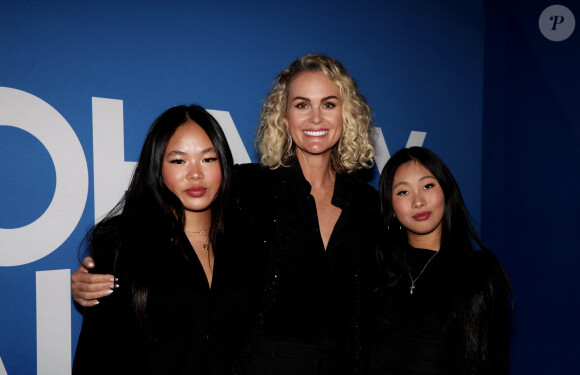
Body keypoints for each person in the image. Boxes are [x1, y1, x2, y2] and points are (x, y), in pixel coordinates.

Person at [72, 54, 381, 374]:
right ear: (284, 117)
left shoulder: (370, 206)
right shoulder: (247, 187)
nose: (316, 118)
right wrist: (102, 272)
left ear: (348, 113)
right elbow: (165, 210)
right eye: (302, 104)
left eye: (329, 104)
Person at [72, 105, 257, 374]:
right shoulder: (122, 241)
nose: (195, 174)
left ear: (225, 164)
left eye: (208, 159)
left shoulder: (248, 240)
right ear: (157, 168)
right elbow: (97, 353)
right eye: (178, 161)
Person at [370, 147, 512, 375]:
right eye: (403, 192)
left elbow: (491, 362)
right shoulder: (377, 269)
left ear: (446, 192)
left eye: (427, 186)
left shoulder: (478, 273)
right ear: (391, 208)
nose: (418, 201)